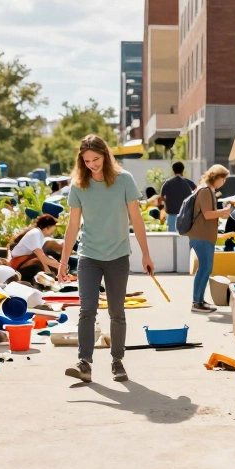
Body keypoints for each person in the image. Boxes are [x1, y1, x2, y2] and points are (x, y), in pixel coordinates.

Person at [57, 134, 155, 384]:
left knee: (116, 312)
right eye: (87, 160)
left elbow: (136, 218)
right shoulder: (79, 184)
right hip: (89, 255)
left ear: (106, 155)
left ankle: (117, 361)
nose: (92, 164)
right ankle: (84, 363)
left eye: (96, 159)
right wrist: (63, 260)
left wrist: (145, 253)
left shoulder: (124, 180)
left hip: (118, 255)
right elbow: (72, 225)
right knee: (86, 310)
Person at [186, 164, 233, 311]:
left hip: (202, 235)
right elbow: (207, 214)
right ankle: (197, 302)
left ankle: (198, 301)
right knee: (205, 268)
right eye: (223, 179)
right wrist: (224, 211)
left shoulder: (205, 190)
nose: (223, 183)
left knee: (204, 268)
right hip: (202, 235)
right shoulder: (206, 191)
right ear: (217, 177)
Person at [8, 213, 60, 283]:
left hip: (25, 261)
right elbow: (41, 256)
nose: (52, 233)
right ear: (47, 228)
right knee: (38, 267)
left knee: (49, 259)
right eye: (52, 230)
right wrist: (59, 266)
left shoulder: (39, 235)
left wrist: (48, 271)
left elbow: (40, 257)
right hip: (17, 264)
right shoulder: (36, 233)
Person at [160, 161, 197, 233]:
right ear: (183, 170)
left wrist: (166, 205)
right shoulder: (189, 183)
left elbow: (161, 198)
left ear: (173, 170)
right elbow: (197, 194)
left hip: (172, 215)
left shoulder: (167, 183)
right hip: (186, 216)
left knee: (172, 239)